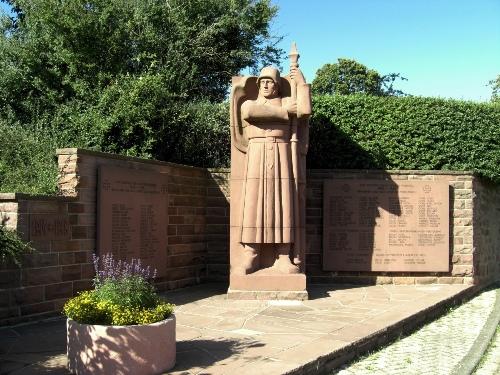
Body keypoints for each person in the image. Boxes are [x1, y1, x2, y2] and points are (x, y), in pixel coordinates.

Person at [234, 65, 311, 275]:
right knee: (253, 203)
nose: (266, 85)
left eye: (270, 82)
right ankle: (251, 253)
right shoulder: (251, 104)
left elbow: (304, 110)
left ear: (277, 86)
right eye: (263, 82)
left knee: (283, 202)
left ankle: (284, 255)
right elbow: (250, 112)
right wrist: (285, 112)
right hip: (257, 153)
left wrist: (301, 82)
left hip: (281, 153)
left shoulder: (288, 100)